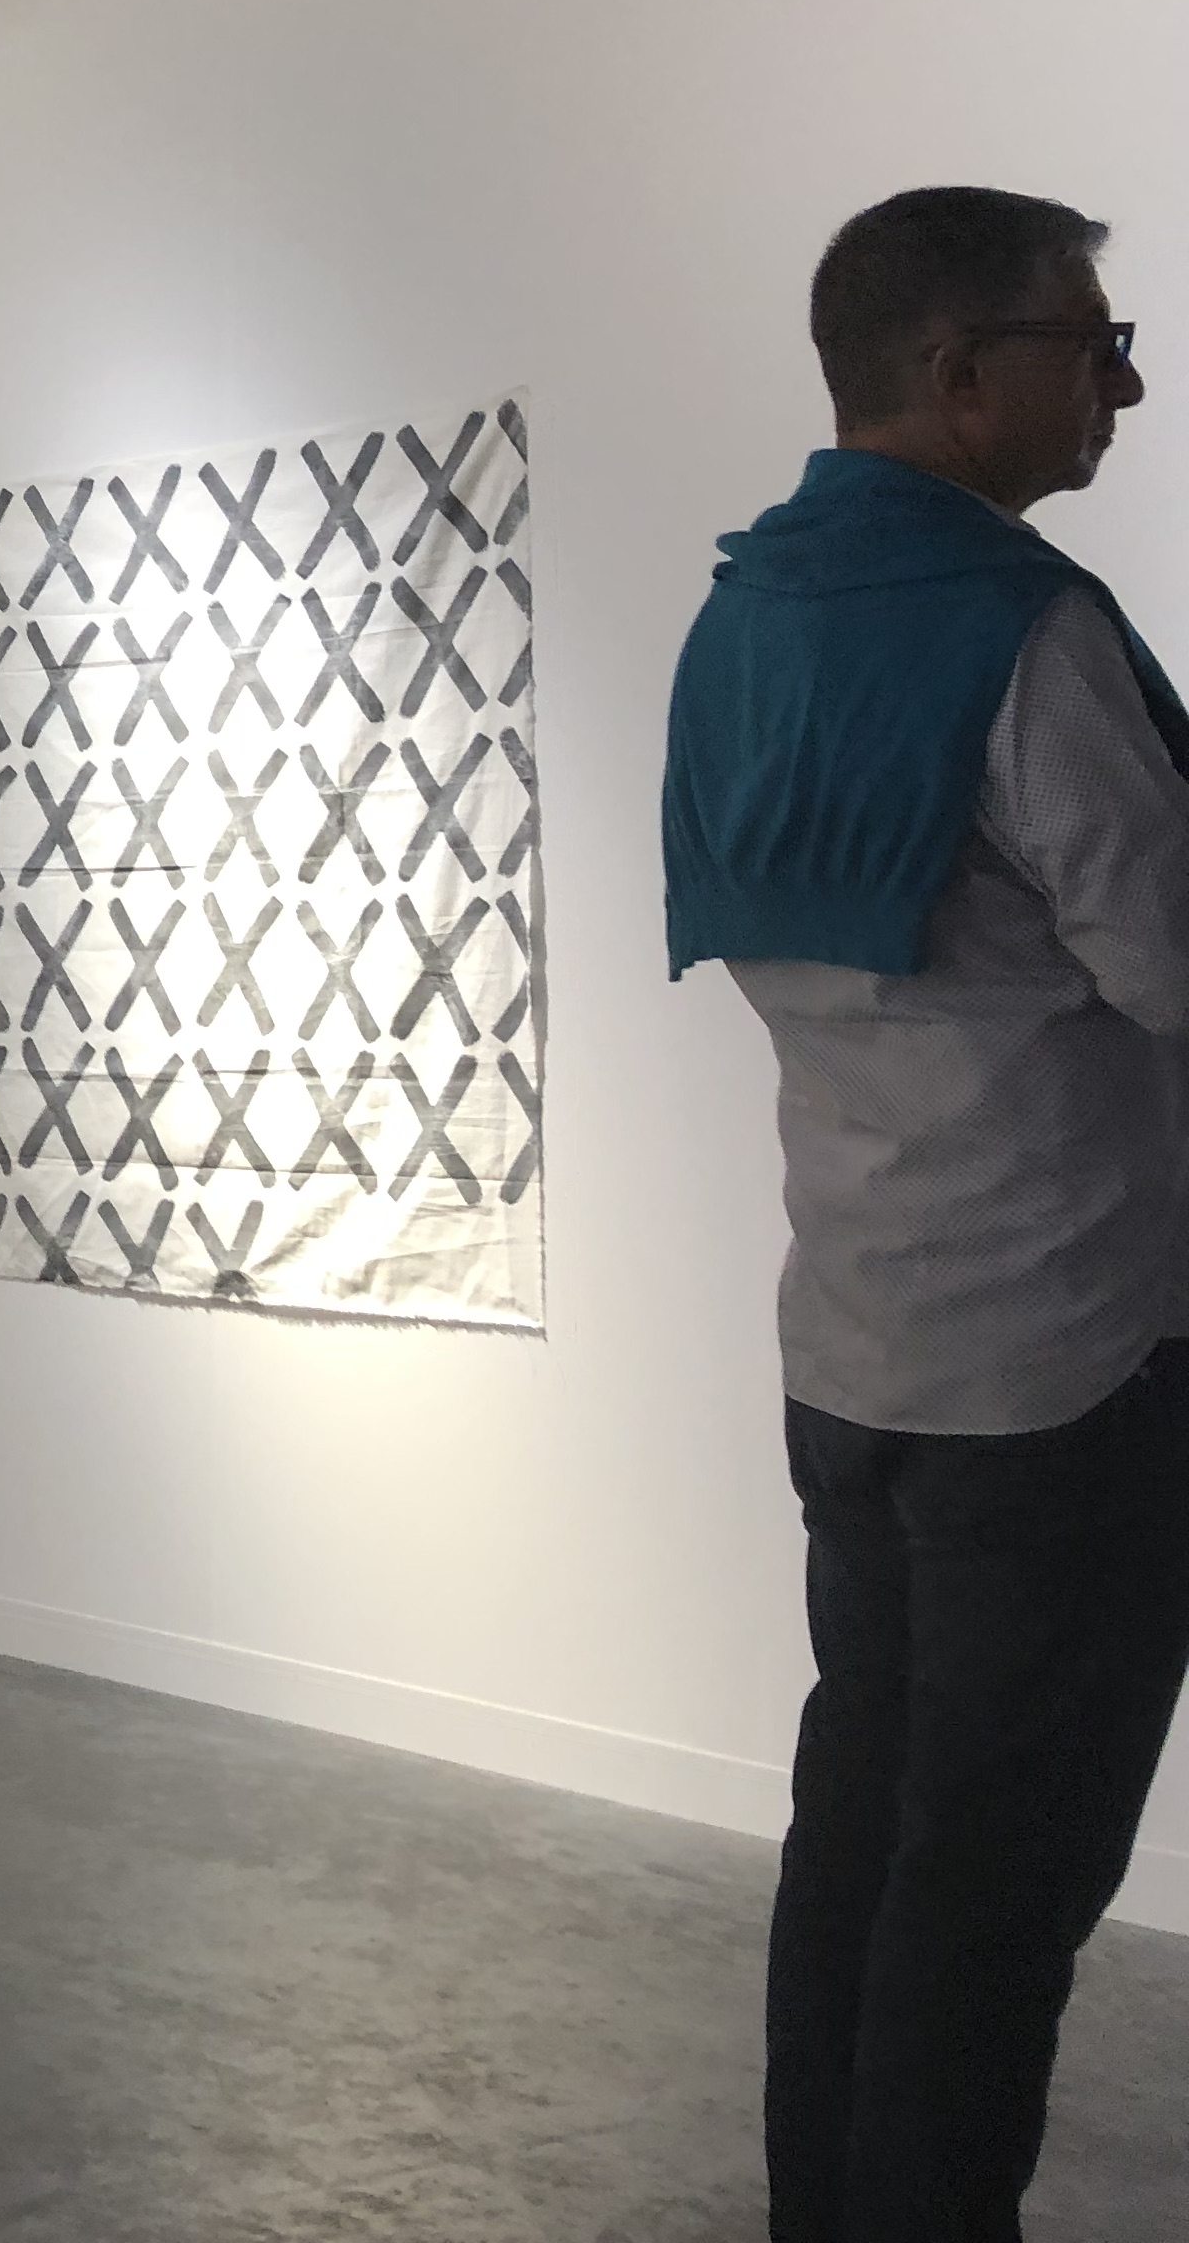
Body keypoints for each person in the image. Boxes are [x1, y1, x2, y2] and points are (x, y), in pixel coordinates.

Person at [662, 185, 1189, 2243]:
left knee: (867, 1843)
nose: (1122, 385)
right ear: (962, 374)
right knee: (993, 1898)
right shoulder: (1024, 631)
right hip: (1064, 1369)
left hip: (859, 1350)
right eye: (1093, 343)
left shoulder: (743, 619)